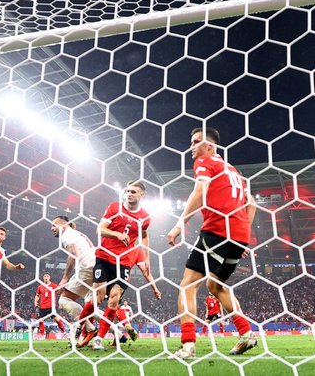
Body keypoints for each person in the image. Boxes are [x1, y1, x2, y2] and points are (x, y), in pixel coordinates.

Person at [166, 127, 257, 359]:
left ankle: (187, 346)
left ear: (210, 146)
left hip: (217, 230)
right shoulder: (234, 171)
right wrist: (243, 237)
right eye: (191, 141)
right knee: (214, 286)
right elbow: (252, 205)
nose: (191, 147)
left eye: (196, 142)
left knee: (187, 285)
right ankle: (246, 333)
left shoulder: (206, 161)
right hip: (238, 234)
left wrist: (179, 224)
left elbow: (200, 189)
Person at [77, 180, 152, 351]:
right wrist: (117, 234)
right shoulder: (114, 207)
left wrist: (147, 257)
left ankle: (99, 339)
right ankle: (79, 330)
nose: (130, 194)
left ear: (142, 195)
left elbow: (145, 235)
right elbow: (100, 229)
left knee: (114, 299)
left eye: (134, 191)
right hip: (104, 257)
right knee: (97, 298)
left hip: (123, 262)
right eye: (128, 191)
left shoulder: (145, 217)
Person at [50, 216, 96, 334]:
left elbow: (74, 254)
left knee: (64, 300)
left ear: (63, 225)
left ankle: (90, 329)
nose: (52, 228)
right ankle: (118, 333)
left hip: (86, 268)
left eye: (54, 225)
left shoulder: (67, 235)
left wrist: (65, 278)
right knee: (90, 306)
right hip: (95, 267)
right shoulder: (77, 233)